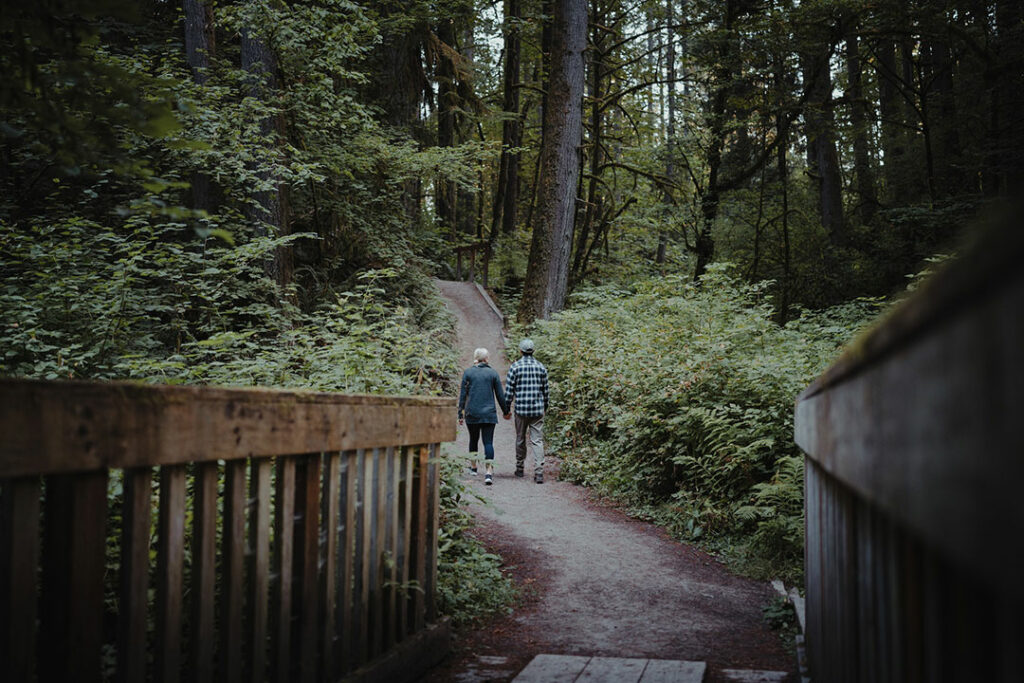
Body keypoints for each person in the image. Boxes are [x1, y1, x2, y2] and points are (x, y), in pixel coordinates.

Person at [458, 347, 508, 485]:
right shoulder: (492, 373)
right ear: (486, 359)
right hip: (488, 414)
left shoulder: (468, 373)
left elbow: (463, 395)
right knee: (488, 442)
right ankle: (488, 472)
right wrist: (505, 411)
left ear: (475, 358)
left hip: (472, 413)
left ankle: (473, 468)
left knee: (473, 440)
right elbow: (500, 395)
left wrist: (460, 413)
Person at [504, 338, 549, 483]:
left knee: (520, 438)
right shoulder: (541, 367)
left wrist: (506, 409)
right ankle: (539, 471)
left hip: (521, 410)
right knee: (537, 440)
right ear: (533, 351)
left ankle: (519, 467)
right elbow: (546, 391)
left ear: (520, 351)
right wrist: (545, 406)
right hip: (537, 410)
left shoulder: (515, 367)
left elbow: (509, 392)